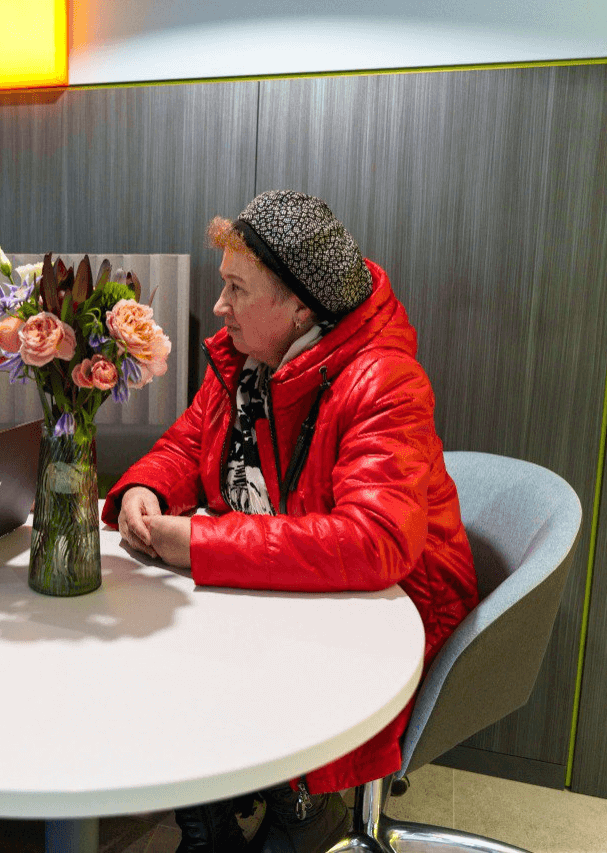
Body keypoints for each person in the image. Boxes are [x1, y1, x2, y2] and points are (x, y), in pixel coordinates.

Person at [103, 190, 479, 851]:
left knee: (206, 643)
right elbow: (189, 444)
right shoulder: (245, 358)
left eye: (236, 289)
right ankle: (210, 824)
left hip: (387, 611)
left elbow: (374, 542)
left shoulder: (385, 381)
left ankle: (307, 808)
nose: (218, 307)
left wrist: (203, 541)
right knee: (165, 637)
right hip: (295, 587)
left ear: (301, 307)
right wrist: (146, 486)